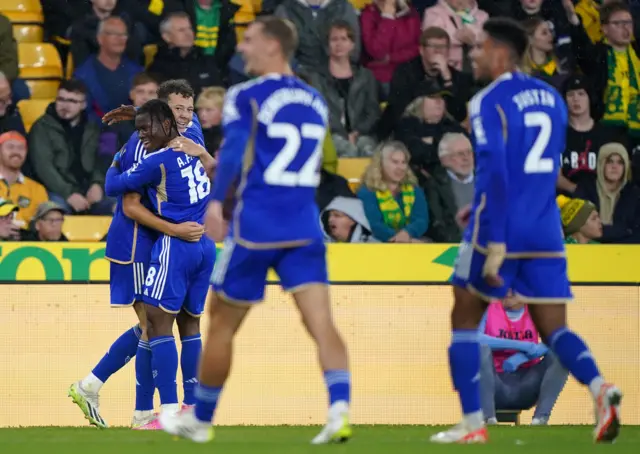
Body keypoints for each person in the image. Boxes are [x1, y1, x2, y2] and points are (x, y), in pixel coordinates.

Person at [159, 16, 352, 445]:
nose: (242, 48)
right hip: (303, 225)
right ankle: (340, 408)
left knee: (222, 324)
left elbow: (230, 159)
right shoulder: (315, 99)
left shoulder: (246, 95)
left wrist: (214, 203)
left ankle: (201, 419)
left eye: (249, 40)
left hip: (256, 227)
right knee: (321, 322)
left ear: (272, 45)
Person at [432, 18, 622, 444]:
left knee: (463, 320)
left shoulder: (487, 101)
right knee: (556, 329)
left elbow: (497, 170)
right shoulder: (552, 99)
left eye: (480, 47)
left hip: (500, 226)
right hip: (545, 228)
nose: (474, 55)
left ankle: (471, 423)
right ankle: (599, 388)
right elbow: (545, 168)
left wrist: (493, 234)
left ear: (501, 52)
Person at [68, 79, 212, 430]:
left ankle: (119, 400)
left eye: (188, 109)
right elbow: (130, 205)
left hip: (165, 240)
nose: (185, 116)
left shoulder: (189, 134)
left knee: (155, 326)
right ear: (163, 110)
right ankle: (141, 409)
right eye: (177, 109)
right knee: (152, 326)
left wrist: (138, 112)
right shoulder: (140, 146)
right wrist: (175, 229)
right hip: (136, 241)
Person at [104, 99, 216, 427]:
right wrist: (142, 111)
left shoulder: (157, 160)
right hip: (205, 246)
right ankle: (191, 407)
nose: (141, 136)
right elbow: (184, 116)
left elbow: (114, 187)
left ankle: (165, 411)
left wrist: (115, 160)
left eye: (144, 128)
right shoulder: (194, 138)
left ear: (163, 124)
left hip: (175, 244)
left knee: (155, 327)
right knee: (191, 325)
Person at [479, 294, 569, 426]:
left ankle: (540, 419)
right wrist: (522, 346)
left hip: (528, 385)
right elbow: (476, 339)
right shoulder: (487, 306)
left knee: (562, 353)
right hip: (494, 384)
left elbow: (561, 337)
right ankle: (488, 419)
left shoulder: (538, 309)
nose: (509, 292)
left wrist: (522, 357)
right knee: (479, 350)